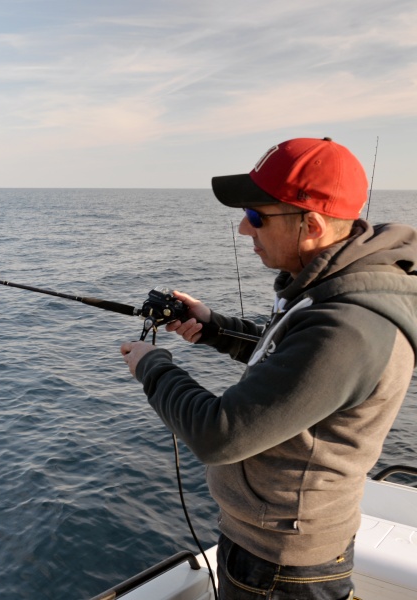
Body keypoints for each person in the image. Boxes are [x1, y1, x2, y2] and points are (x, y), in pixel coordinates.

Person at [120, 137, 417, 600]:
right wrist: (215, 327)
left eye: (256, 216)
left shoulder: (349, 326)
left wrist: (152, 366)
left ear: (312, 225)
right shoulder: (331, 289)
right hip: (272, 545)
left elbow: (221, 435)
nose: (243, 229)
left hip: (281, 565)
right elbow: (291, 358)